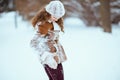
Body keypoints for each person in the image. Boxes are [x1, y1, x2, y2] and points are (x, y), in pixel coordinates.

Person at [30, 0, 67, 80]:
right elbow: (33, 43)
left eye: (58, 17)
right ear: (48, 13)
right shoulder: (43, 24)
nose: (56, 19)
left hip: (56, 56)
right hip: (50, 59)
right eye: (54, 17)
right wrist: (47, 57)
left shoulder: (54, 22)